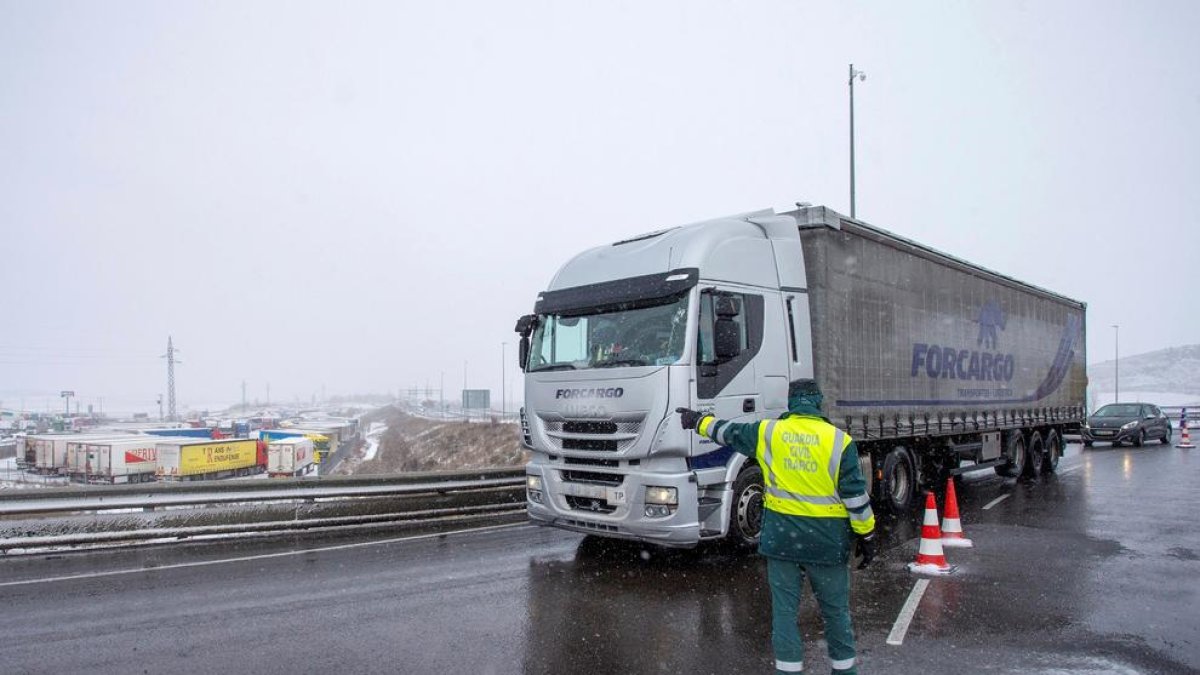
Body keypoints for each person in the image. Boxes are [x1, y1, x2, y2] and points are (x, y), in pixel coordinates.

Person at [677, 379, 876, 675]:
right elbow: (856, 498)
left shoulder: (769, 433)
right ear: (818, 402)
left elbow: (727, 432)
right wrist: (866, 535)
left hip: (782, 540)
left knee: (784, 615)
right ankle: (844, 671)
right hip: (826, 543)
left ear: (792, 401)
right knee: (836, 615)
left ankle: (788, 671)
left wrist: (697, 421)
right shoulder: (840, 441)